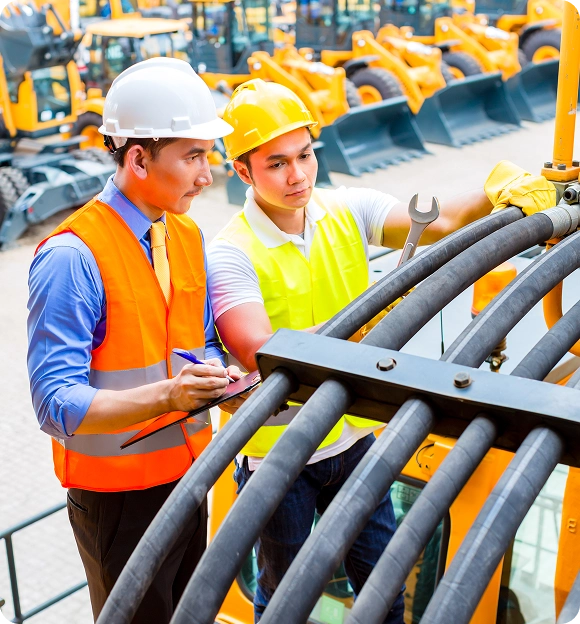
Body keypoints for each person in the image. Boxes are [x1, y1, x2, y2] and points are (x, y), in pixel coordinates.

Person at [206, 79, 556, 622]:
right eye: (276, 164)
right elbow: (260, 350)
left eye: (304, 155)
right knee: (281, 602)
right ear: (243, 171)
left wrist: (498, 188)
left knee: (385, 588)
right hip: (280, 455)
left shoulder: (346, 210)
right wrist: (381, 317)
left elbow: (439, 222)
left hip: (355, 440)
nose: (297, 175)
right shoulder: (230, 252)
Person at [27, 58, 241, 623]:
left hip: (190, 477)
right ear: (138, 158)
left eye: (208, 155)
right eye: (193, 156)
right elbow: (55, 406)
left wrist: (220, 378)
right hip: (117, 503)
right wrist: (169, 397)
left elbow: (192, 344)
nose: (206, 175)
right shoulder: (73, 257)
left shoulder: (185, 233)